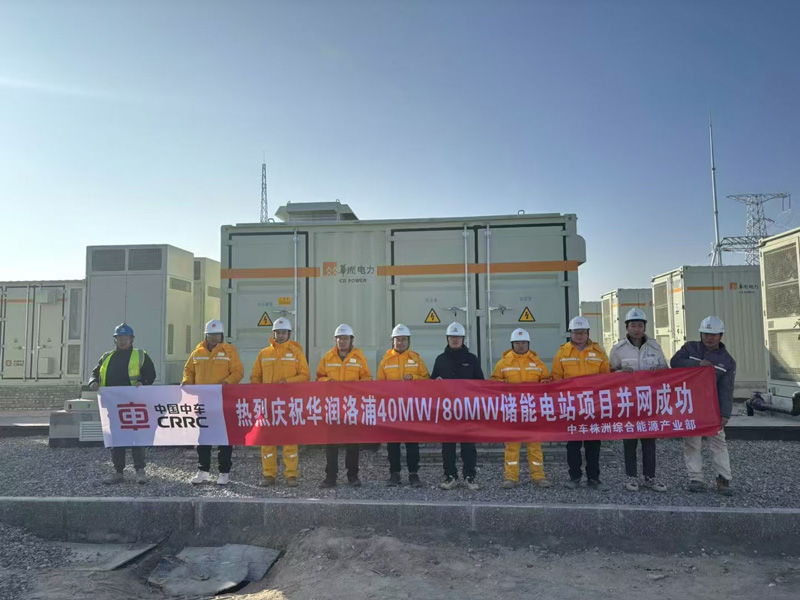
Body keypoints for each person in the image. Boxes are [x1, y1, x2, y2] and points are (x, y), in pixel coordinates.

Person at [670, 316, 736, 496]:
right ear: (701, 334)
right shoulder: (689, 349)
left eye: (713, 334)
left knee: (718, 443)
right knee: (691, 442)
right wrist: (698, 364)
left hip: (712, 408)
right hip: (690, 405)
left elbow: (726, 389)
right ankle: (696, 478)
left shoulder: (727, 361)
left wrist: (725, 414)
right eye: (706, 333)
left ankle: (723, 479)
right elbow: (675, 362)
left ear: (721, 335)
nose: (709, 337)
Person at [88, 323, 156, 484]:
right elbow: (94, 373)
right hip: (114, 406)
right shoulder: (106, 357)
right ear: (115, 339)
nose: (122, 340)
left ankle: (140, 470)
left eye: (125, 337)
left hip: (134, 405)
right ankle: (118, 472)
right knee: (117, 439)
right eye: (119, 337)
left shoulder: (141, 355)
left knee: (136, 438)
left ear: (131, 339)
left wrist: (143, 382)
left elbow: (151, 374)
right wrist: (93, 381)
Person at [609, 308, 668, 492]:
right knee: (630, 442)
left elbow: (666, 370)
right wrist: (621, 373)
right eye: (633, 325)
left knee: (649, 442)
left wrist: (659, 372)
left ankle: (650, 478)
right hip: (628, 403)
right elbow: (609, 374)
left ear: (645, 327)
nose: (636, 329)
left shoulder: (654, 347)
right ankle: (631, 477)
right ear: (626, 327)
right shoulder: (618, 349)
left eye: (640, 325)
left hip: (649, 403)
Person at [250, 317, 310, 488]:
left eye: (284, 332)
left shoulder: (297, 353)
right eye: (278, 332)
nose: (281, 335)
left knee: (289, 441)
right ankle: (269, 475)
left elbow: (305, 376)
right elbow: (255, 377)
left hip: (289, 404)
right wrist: (258, 393)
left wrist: (288, 381)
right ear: (273, 334)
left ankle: (291, 475)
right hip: (268, 404)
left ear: (289, 334)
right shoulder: (264, 354)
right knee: (267, 441)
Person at [552, 316, 610, 490]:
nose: (579, 335)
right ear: (570, 333)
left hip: (594, 405)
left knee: (593, 443)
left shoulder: (598, 352)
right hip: (572, 406)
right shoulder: (562, 353)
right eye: (576, 332)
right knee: (573, 444)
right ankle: (574, 477)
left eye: (582, 332)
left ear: (588, 333)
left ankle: (594, 478)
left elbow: (606, 378)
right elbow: (556, 378)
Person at [183, 319, 243, 486]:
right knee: (204, 438)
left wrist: (227, 382)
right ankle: (203, 471)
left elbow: (238, 372)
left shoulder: (230, 351)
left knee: (224, 438)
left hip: (223, 401)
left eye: (217, 335)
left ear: (222, 335)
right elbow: (189, 369)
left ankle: (224, 472)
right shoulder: (198, 351)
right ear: (206, 335)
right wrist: (187, 381)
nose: (214, 338)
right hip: (203, 402)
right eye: (211, 335)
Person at [492, 328, 553, 489]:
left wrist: (545, 383)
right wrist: (501, 384)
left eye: (523, 343)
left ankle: (538, 476)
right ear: (512, 344)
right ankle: (511, 477)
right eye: (517, 343)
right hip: (512, 411)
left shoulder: (537, 363)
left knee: (535, 446)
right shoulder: (503, 363)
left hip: (532, 411)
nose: (520, 345)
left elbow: (547, 380)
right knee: (512, 446)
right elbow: (493, 382)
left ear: (528, 344)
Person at [316, 324, 372, 488]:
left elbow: (367, 379)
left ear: (351, 340)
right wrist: (328, 381)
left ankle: (353, 476)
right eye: (339, 338)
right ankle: (330, 477)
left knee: (352, 443)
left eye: (345, 338)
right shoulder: (327, 358)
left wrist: (355, 387)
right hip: (333, 406)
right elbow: (319, 378)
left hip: (351, 406)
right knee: (331, 443)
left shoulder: (359, 358)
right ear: (335, 340)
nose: (342, 341)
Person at [432, 322, 484, 491]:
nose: (455, 340)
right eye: (452, 337)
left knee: (468, 445)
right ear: (447, 339)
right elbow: (431, 382)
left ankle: (470, 476)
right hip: (447, 410)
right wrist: (436, 382)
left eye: (458, 337)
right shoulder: (440, 360)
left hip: (466, 410)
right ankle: (450, 476)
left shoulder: (472, 359)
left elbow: (481, 382)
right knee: (448, 446)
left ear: (463, 339)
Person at [377, 323, 430, 487]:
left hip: (411, 408)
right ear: (392, 341)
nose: (400, 343)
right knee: (392, 444)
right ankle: (395, 473)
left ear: (409, 341)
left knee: (412, 443)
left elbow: (427, 380)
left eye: (404, 339)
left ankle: (413, 474)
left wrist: (414, 378)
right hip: (392, 409)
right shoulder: (385, 361)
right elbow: (379, 385)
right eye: (397, 339)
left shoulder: (416, 359)